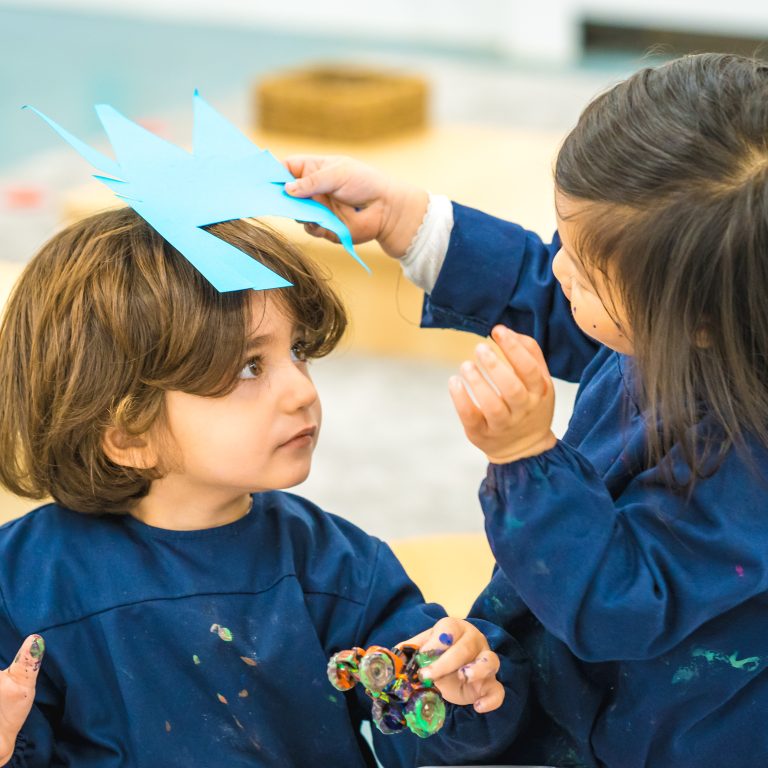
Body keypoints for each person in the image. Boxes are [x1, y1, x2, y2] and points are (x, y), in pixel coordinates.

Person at [284, 52, 768, 767]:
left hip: (657, 730)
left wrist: (526, 458)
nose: (560, 269)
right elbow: (556, 297)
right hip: (564, 665)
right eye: (564, 239)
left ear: (691, 322)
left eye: (589, 272)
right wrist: (410, 221)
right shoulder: (701, 309)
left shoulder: (749, 471)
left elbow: (619, 604)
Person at [0, 208, 527, 767]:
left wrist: (461, 686)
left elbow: (428, 730)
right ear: (129, 434)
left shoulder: (334, 565)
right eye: (250, 367)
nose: (301, 389)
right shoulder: (23, 584)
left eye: (297, 350)